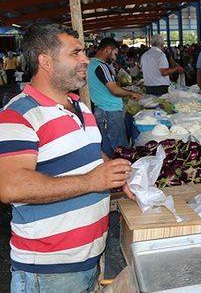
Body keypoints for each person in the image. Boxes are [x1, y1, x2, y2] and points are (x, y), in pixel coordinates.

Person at [0, 23, 134, 292]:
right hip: (49, 272)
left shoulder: (79, 105)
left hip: (88, 258)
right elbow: (10, 187)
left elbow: (91, 153)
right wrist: (92, 181)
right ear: (46, 61)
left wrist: (116, 174)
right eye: (76, 53)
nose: (86, 59)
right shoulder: (19, 115)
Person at [88, 38, 142, 157]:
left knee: (109, 147)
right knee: (120, 149)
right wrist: (130, 93)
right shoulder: (101, 66)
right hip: (109, 112)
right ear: (108, 49)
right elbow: (114, 89)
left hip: (105, 111)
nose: (115, 57)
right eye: (115, 54)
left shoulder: (92, 64)